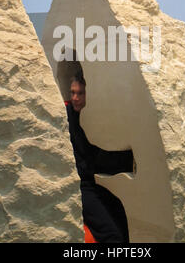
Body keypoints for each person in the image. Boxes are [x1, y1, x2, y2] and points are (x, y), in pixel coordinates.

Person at [65, 72, 133, 243]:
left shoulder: (103, 118)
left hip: (103, 184)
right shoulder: (66, 116)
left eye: (80, 93)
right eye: (73, 93)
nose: (75, 98)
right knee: (112, 236)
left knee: (125, 231)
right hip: (82, 185)